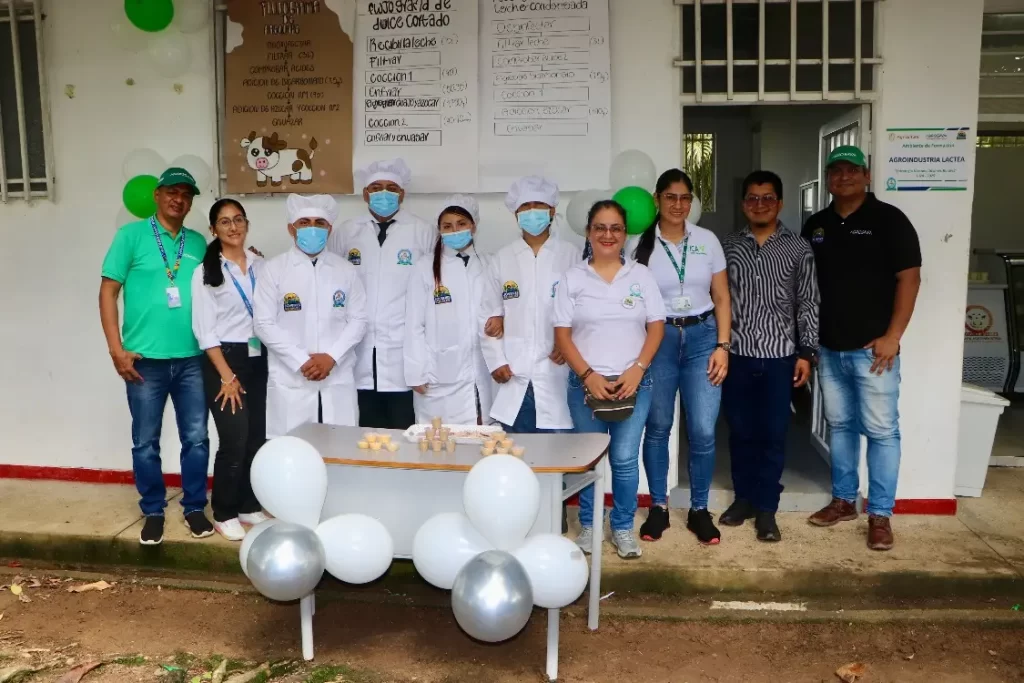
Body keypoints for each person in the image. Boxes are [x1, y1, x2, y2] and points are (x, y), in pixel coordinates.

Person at [802, 146, 921, 551]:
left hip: (875, 352)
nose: (844, 177)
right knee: (841, 426)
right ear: (828, 179)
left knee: (883, 431)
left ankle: (880, 515)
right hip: (829, 348)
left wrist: (894, 336)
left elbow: (909, 279)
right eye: (836, 171)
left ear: (867, 176)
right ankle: (843, 500)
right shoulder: (816, 225)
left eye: (852, 170)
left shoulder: (889, 219)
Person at [99, 167, 213, 545]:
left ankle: (194, 507)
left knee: (196, 438)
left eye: (186, 194)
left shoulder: (197, 242)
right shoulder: (130, 236)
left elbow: (222, 280)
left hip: (192, 358)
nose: (178, 199)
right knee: (145, 441)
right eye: (171, 192)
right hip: (143, 362)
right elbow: (108, 292)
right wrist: (116, 350)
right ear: (157, 195)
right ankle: (153, 510)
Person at [554, 200, 665, 558]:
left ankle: (622, 527)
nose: (608, 234)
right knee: (589, 458)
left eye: (615, 228)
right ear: (588, 232)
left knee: (624, 458)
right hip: (585, 384)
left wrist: (638, 368)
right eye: (600, 227)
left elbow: (656, 326)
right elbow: (562, 336)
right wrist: (587, 375)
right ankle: (589, 525)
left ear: (625, 233)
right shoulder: (572, 278)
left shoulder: (640, 275)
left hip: (634, 383)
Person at [629, 169, 732, 546]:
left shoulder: (707, 240)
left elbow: (722, 296)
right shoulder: (638, 245)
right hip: (659, 341)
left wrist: (723, 346)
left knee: (703, 429)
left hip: (703, 338)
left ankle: (699, 510)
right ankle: (658, 507)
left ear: (691, 202)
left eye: (684, 197)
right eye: (670, 197)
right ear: (657, 199)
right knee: (658, 426)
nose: (677, 204)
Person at [719, 171, 819, 542]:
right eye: (752, 198)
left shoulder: (798, 248)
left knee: (773, 434)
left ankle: (766, 508)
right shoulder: (728, 247)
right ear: (743, 203)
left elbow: (808, 302)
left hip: (781, 357)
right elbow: (718, 299)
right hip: (738, 355)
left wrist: (806, 352)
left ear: (779, 203)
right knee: (740, 431)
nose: (759, 204)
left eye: (767, 198)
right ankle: (743, 499)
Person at [327, 159, 434, 430]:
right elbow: (330, 281)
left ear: (402, 194)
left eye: (391, 188)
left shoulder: (423, 232)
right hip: (357, 348)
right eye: (376, 188)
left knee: (403, 429)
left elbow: (435, 288)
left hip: (403, 348)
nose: (383, 193)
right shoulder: (346, 232)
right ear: (365, 194)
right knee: (364, 431)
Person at [254, 194, 368, 438]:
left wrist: (331, 357)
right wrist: (301, 361)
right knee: (292, 450)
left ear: (330, 229)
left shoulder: (346, 270)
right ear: (291, 228)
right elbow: (263, 324)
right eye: (304, 222)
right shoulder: (273, 269)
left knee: (340, 446)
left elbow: (358, 321)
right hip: (291, 378)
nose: (313, 228)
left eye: (320, 223)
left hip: (336, 377)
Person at [190, 198, 271, 542]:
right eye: (224, 222)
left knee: (256, 436)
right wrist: (227, 376)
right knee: (234, 439)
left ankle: (248, 504)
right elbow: (204, 332)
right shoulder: (206, 272)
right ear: (213, 229)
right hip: (223, 361)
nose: (233, 227)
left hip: (258, 356)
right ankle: (224, 511)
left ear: (247, 223)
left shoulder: (261, 265)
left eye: (238, 219)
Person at [479, 176, 579, 434]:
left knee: (561, 451)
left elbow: (584, 309)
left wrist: (570, 344)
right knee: (517, 452)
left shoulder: (571, 255)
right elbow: (488, 314)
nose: (532, 211)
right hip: (514, 373)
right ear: (516, 214)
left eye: (539, 205)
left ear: (552, 211)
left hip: (558, 372)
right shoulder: (502, 258)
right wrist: (496, 361)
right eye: (525, 206)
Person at [404, 195, 496, 425]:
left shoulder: (490, 263)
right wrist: (415, 371)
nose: (455, 231)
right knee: (439, 436)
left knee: (482, 432)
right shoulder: (424, 267)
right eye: (447, 226)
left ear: (473, 226)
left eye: (461, 224)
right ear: (439, 230)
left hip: (483, 368)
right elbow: (414, 324)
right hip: (438, 372)